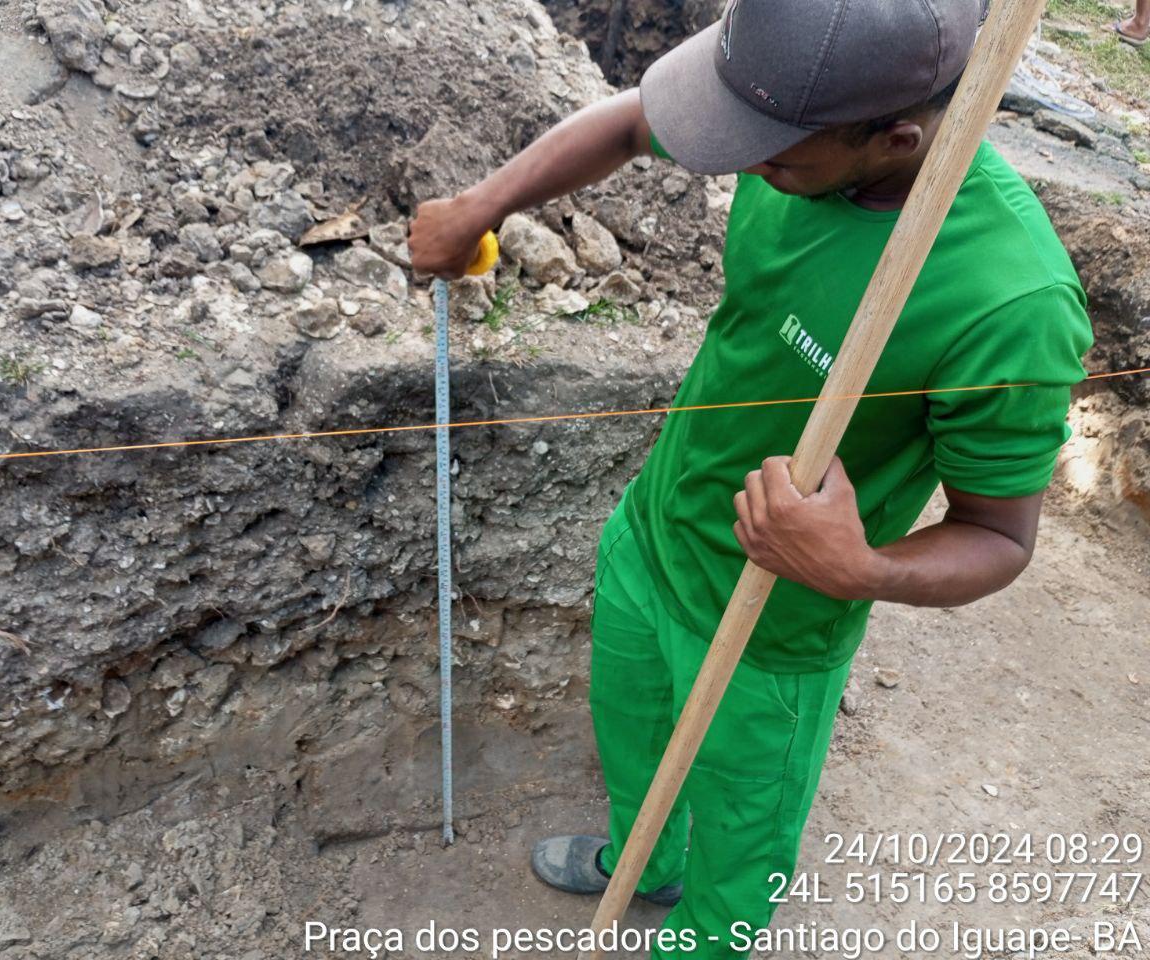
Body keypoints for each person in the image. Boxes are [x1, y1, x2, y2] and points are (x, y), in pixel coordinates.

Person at [408, 0, 1093, 954]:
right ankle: (644, 863)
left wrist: (864, 571)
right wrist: (485, 205)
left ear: (894, 138)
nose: (736, 163)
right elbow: (631, 121)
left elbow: (1001, 537)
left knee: (741, 832)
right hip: (658, 529)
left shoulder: (1007, 298)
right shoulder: (792, 88)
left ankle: (703, 936)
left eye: (771, 157)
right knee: (635, 731)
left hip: (775, 617)